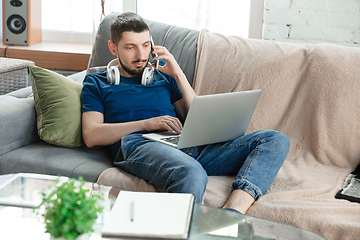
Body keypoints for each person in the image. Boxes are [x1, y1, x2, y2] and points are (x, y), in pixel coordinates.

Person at [80, 12, 290, 214]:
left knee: (274, 140)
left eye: (146, 45)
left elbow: (199, 116)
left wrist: (178, 74)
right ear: (113, 48)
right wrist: (147, 124)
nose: (141, 55)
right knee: (191, 172)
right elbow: (91, 135)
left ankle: (233, 213)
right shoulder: (96, 82)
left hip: (185, 142)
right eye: (130, 47)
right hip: (139, 144)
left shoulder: (163, 77)